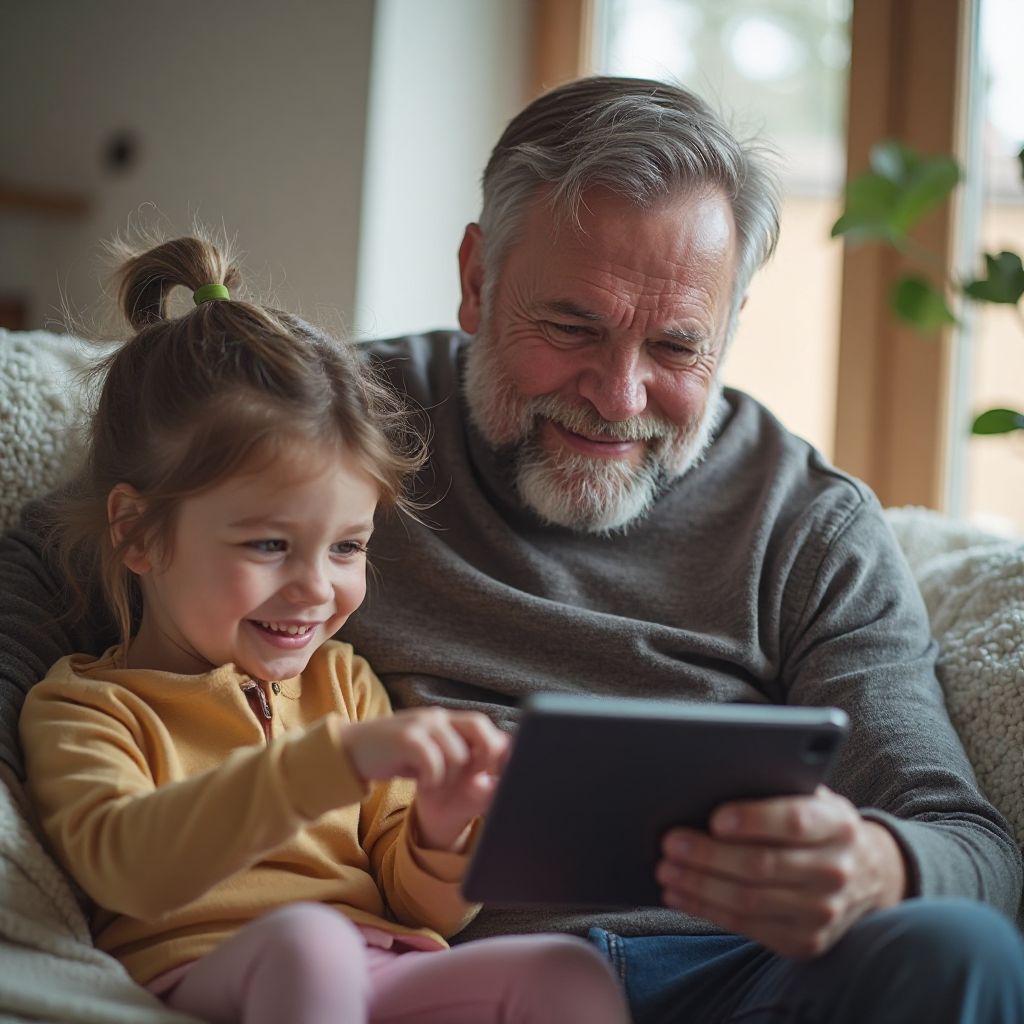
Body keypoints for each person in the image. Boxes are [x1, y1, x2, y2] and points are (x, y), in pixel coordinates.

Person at [1, 75, 1023, 1023]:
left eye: (675, 345)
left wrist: (879, 864)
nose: (618, 395)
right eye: (572, 326)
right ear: (477, 280)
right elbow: (57, 555)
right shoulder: (329, 435)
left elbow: (968, 838)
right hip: (440, 982)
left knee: (963, 952)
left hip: (737, 975)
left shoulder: (809, 521)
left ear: (731, 321)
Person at [14, 234, 632, 1024]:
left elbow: (428, 910)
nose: (315, 587)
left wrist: (444, 830)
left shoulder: (341, 683)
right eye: (270, 545)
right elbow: (128, 867)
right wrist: (333, 763)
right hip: (212, 976)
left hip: (380, 968)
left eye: (347, 547)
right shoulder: (87, 708)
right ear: (138, 534)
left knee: (566, 973)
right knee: (312, 945)